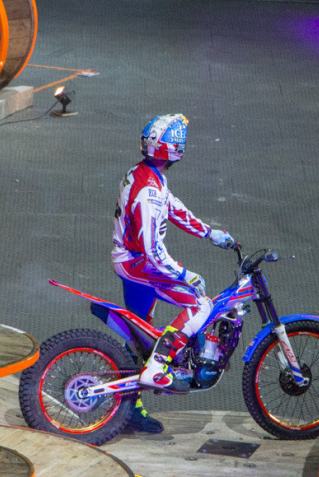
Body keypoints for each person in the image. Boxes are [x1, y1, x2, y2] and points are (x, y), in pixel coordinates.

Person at [112, 113, 235, 433]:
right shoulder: (149, 191)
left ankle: (127, 406)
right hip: (139, 264)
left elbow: (173, 206)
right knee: (200, 304)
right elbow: (153, 252)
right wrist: (185, 275)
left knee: (138, 336)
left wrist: (210, 233)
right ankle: (160, 365)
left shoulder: (145, 175)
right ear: (174, 149)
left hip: (131, 261)